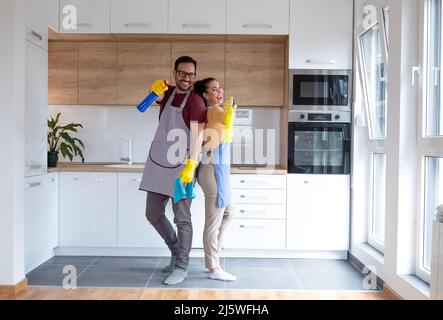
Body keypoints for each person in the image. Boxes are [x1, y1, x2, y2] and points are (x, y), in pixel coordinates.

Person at [139, 56, 207, 285]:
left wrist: (192, 165)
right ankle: (176, 250)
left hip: (182, 168)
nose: (186, 78)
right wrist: (152, 90)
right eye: (182, 73)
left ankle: (181, 265)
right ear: (175, 72)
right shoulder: (167, 94)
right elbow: (149, 102)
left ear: (194, 76)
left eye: (190, 74)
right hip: (159, 162)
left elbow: (198, 137)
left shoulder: (196, 102)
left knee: (182, 218)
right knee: (153, 213)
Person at [193, 78, 237, 281]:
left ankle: (214, 256)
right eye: (214, 89)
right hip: (213, 169)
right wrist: (229, 113)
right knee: (213, 220)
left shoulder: (212, 112)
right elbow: (225, 118)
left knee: (229, 211)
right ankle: (213, 267)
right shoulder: (215, 111)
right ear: (205, 95)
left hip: (213, 167)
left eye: (220, 87)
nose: (219, 91)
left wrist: (228, 112)